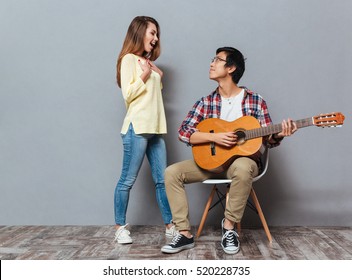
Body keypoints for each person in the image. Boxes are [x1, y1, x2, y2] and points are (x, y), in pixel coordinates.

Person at [161, 47, 297, 254]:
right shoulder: (206, 102)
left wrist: (279, 133)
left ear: (231, 68)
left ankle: (229, 227)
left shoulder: (255, 100)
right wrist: (214, 137)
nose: (211, 63)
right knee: (171, 172)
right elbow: (183, 132)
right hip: (213, 164)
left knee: (242, 167)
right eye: (213, 59)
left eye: (217, 60)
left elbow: (268, 139)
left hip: (243, 164)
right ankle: (184, 234)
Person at [114, 16, 175, 244]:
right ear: (140, 33)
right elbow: (128, 95)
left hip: (156, 129)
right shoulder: (129, 59)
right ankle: (120, 227)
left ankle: (170, 226)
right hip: (136, 128)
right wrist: (146, 74)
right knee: (127, 180)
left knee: (162, 180)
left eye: (157, 34)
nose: (156, 38)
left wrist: (158, 74)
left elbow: (153, 95)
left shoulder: (147, 63)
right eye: (152, 33)